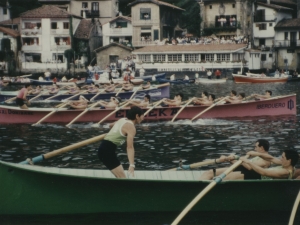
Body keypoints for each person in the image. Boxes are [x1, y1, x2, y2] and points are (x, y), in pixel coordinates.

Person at [97, 106, 144, 178]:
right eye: (142, 116)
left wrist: (114, 132)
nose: (143, 118)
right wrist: (132, 165)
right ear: (137, 116)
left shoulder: (122, 119)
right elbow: (129, 147)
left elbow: (110, 125)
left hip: (103, 149)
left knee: (119, 176)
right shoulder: (131, 128)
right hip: (107, 151)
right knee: (122, 178)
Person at [199, 139, 273, 180]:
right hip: (242, 170)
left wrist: (236, 158)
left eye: (256, 147)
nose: (254, 149)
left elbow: (250, 167)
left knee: (217, 179)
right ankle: (198, 186)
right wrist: (229, 159)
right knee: (209, 172)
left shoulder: (266, 159)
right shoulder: (257, 156)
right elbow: (243, 164)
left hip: (249, 174)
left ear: (262, 148)